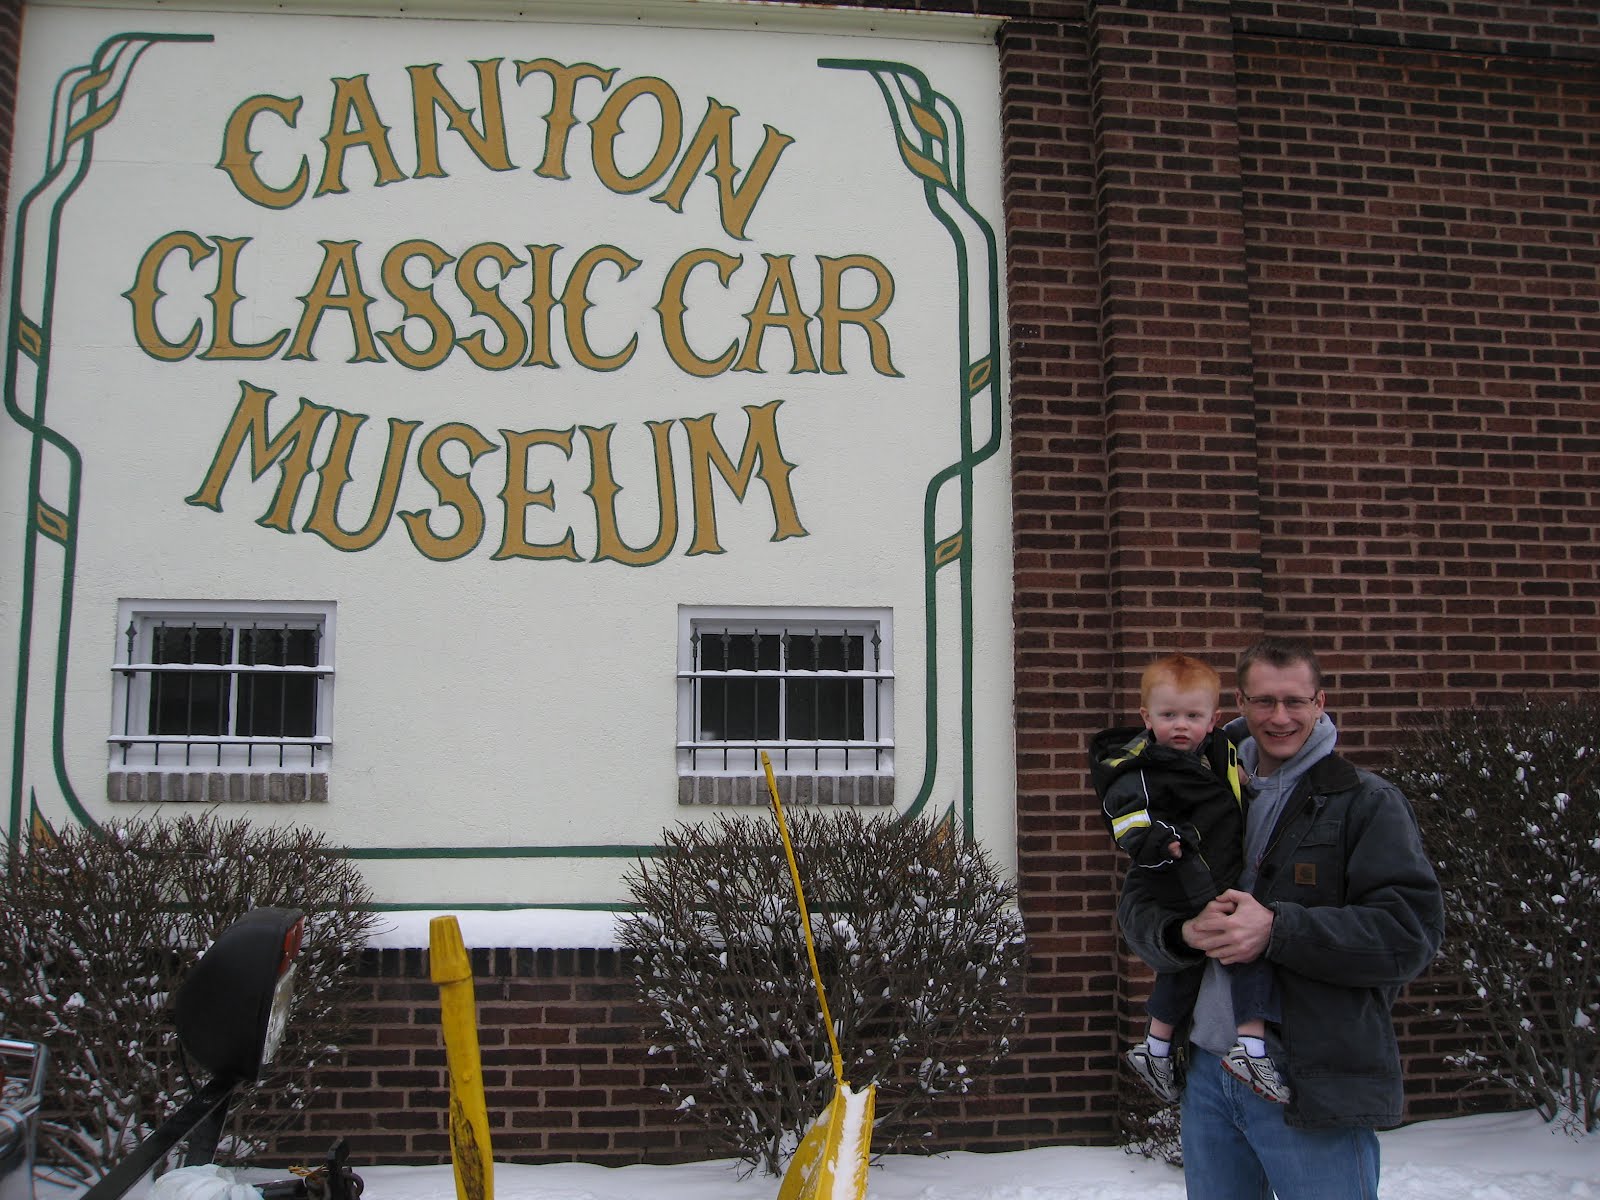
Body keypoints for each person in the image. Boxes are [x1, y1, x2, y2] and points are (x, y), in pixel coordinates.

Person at [1116, 637, 1444, 1200]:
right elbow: (1139, 904)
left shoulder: (1363, 802)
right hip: (1210, 1076)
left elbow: (1408, 935)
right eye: (1264, 701)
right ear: (1240, 703)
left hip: (1309, 1079)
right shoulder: (1196, 787)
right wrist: (1182, 933)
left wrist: (1277, 929)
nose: (1280, 717)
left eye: (1295, 701)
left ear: (1321, 702)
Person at [1091, 654, 1288, 1108]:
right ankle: (1251, 1047)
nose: (1181, 726)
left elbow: (1232, 780)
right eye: (1169, 716)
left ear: (1213, 718)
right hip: (1181, 874)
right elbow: (1124, 816)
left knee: (1199, 960)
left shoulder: (1218, 749)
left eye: (1193, 716)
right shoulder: (1140, 766)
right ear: (1146, 717)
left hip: (1218, 870)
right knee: (1242, 951)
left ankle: (1158, 1047)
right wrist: (1155, 840)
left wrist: (1242, 780)